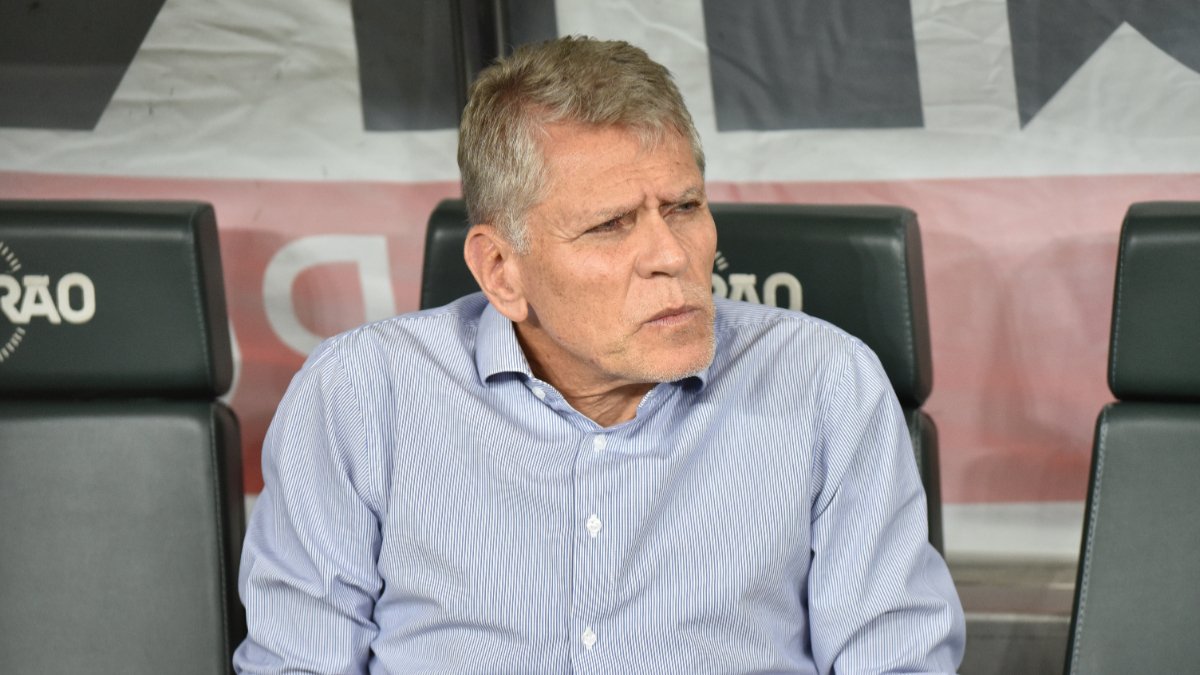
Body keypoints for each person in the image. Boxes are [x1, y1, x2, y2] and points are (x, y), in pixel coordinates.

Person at [234, 36, 965, 674]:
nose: (671, 255)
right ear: (501, 271)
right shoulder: (360, 396)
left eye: (683, 207)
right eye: (611, 225)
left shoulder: (826, 385)